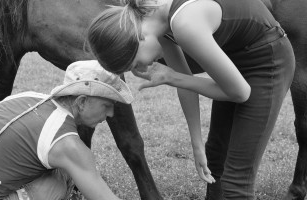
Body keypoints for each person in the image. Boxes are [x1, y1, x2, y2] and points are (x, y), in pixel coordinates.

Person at [86, 0, 296, 199]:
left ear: (139, 38)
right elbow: (185, 84)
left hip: (268, 63)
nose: (141, 69)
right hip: (238, 60)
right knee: (215, 156)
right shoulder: (157, 19)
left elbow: (240, 93)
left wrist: (171, 77)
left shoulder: (186, 24)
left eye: (134, 64)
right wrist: (197, 144)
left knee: (236, 183)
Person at [0, 60, 134, 200]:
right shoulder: (66, 143)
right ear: (81, 102)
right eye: (106, 106)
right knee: (57, 184)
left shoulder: (27, 96)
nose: (111, 114)